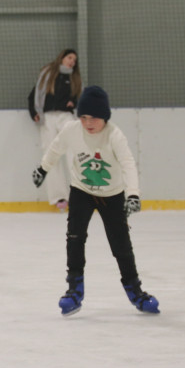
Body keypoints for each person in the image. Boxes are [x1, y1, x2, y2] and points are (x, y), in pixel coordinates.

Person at [32, 85, 160, 316]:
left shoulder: (114, 135)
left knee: (121, 245)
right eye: (84, 117)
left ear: (105, 117)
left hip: (112, 196)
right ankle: (74, 290)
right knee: (75, 237)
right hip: (81, 191)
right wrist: (43, 169)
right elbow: (55, 148)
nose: (88, 123)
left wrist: (133, 194)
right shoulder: (72, 130)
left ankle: (136, 291)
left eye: (94, 118)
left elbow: (128, 163)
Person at [28, 48, 82, 211]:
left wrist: (74, 103)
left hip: (66, 117)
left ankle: (80, 194)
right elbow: (34, 94)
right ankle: (59, 197)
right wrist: (34, 113)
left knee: (75, 152)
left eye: (74, 59)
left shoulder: (75, 78)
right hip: (48, 118)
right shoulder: (48, 74)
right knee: (51, 156)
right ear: (62, 58)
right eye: (70, 57)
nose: (72, 61)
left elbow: (80, 97)